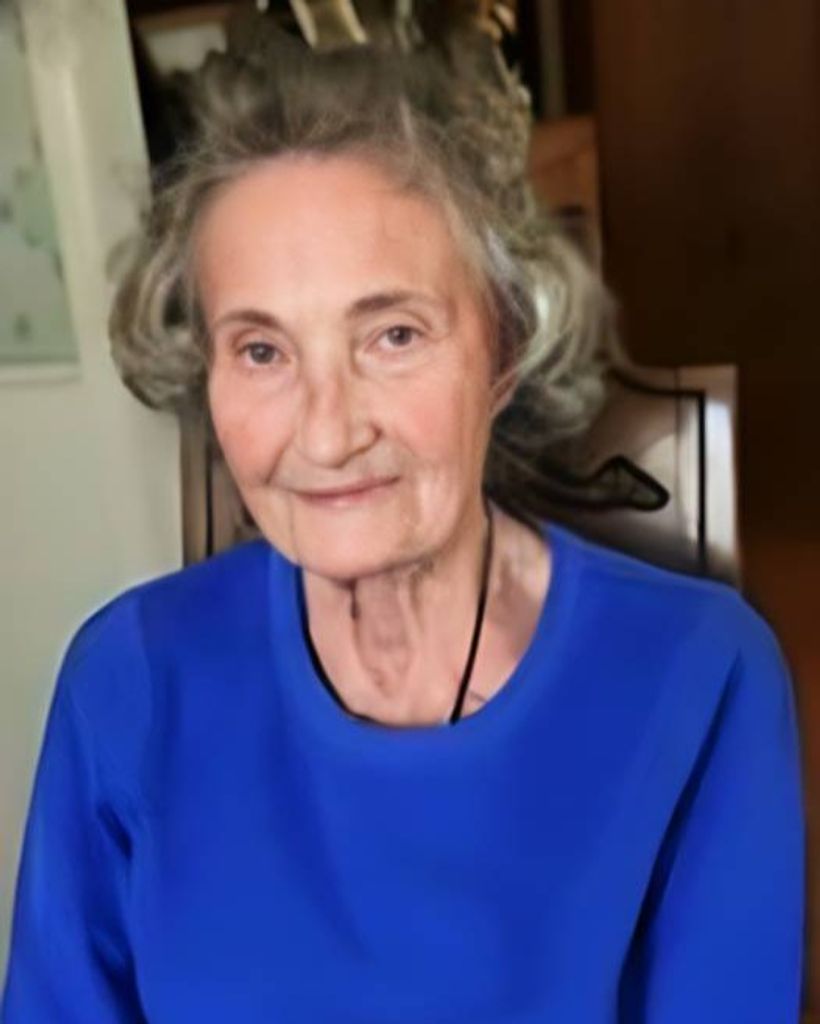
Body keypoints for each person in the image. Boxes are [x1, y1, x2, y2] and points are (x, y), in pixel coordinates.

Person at [1, 17, 804, 1023]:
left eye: (392, 335)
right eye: (261, 351)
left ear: (504, 349)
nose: (326, 432)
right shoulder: (126, 679)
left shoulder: (701, 676)